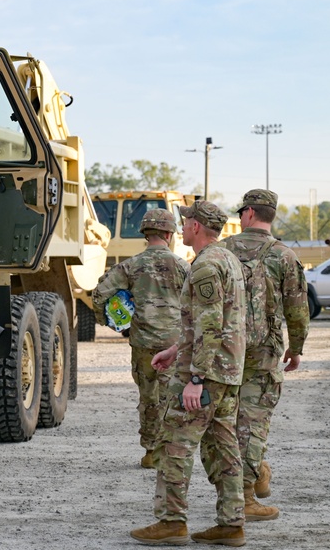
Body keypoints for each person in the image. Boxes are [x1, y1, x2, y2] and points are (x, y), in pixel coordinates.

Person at [131, 200, 247, 547]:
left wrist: (195, 379)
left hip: (207, 375)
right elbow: (205, 323)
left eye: (185, 222)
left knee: (173, 444)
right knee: (224, 447)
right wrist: (174, 350)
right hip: (226, 374)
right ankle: (232, 523)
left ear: (197, 226)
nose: (181, 228)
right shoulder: (227, 259)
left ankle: (171, 521)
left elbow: (211, 326)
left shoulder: (207, 265)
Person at [222, 189, 309, 522]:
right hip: (265, 353)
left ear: (247, 214)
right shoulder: (284, 256)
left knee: (227, 423)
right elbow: (298, 310)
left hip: (223, 351)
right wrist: (296, 348)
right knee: (253, 422)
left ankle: (252, 477)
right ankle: (245, 497)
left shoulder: (222, 251)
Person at [91, 208, 190, 469]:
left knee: (148, 398)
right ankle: (172, 450)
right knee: (172, 397)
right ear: (169, 234)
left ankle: (151, 453)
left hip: (143, 343)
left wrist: (114, 324)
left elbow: (100, 293)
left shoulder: (130, 265)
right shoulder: (183, 266)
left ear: (146, 233)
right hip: (175, 344)